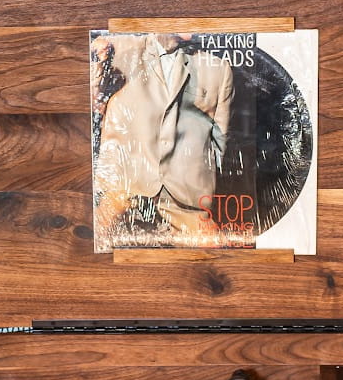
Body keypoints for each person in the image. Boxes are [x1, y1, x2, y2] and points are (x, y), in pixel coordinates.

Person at [91, 31, 235, 247]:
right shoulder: (119, 49)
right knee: (89, 248)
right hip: (121, 191)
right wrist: (98, 58)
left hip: (184, 202)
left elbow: (219, 144)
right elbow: (92, 102)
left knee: (219, 258)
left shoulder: (217, 70)